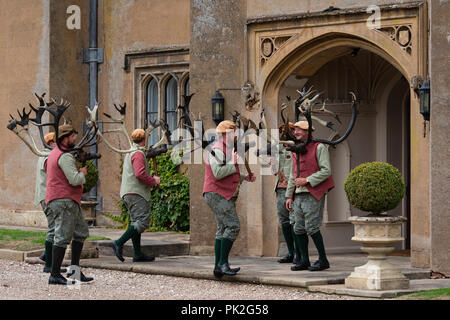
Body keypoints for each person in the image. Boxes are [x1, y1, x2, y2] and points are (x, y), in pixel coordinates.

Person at [203, 120, 256, 278]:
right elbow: (218, 173)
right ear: (225, 134)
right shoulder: (217, 150)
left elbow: (228, 173)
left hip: (221, 193)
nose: (236, 135)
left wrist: (244, 177)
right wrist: (233, 163)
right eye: (234, 132)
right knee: (233, 226)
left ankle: (218, 267)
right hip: (217, 194)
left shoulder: (226, 149)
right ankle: (223, 264)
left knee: (222, 229)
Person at [45, 124, 93, 285]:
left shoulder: (54, 153)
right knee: (62, 236)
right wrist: (83, 174)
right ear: (64, 138)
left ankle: (74, 272)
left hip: (67, 200)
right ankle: (55, 274)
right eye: (72, 136)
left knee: (81, 232)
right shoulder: (64, 156)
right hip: (64, 200)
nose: (75, 138)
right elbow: (74, 179)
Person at [285, 121, 334, 271]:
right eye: (295, 130)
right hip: (298, 194)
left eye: (299, 130)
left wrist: (307, 180)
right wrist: (289, 195)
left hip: (314, 192)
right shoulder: (295, 150)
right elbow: (293, 175)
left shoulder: (319, 147)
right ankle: (304, 260)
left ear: (308, 132)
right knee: (298, 228)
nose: (296, 132)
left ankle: (323, 260)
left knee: (312, 227)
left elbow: (326, 171)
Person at [110, 129, 161, 263]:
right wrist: (153, 181)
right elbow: (139, 174)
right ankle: (118, 243)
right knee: (142, 222)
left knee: (135, 222)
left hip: (128, 192)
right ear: (144, 139)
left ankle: (137, 254)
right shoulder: (138, 154)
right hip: (136, 192)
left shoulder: (130, 152)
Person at [34, 132, 66, 274]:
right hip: (48, 197)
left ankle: (47, 257)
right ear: (51, 143)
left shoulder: (44, 155)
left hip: (45, 196)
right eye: (56, 141)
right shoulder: (48, 157)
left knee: (54, 228)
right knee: (53, 229)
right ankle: (49, 265)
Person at [274, 123, 300, 264]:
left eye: (286, 131)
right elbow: (274, 169)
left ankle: (298, 253)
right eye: (282, 131)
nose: (283, 134)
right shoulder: (278, 149)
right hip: (279, 188)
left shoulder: (295, 149)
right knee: (284, 222)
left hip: (292, 189)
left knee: (294, 221)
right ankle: (290, 252)